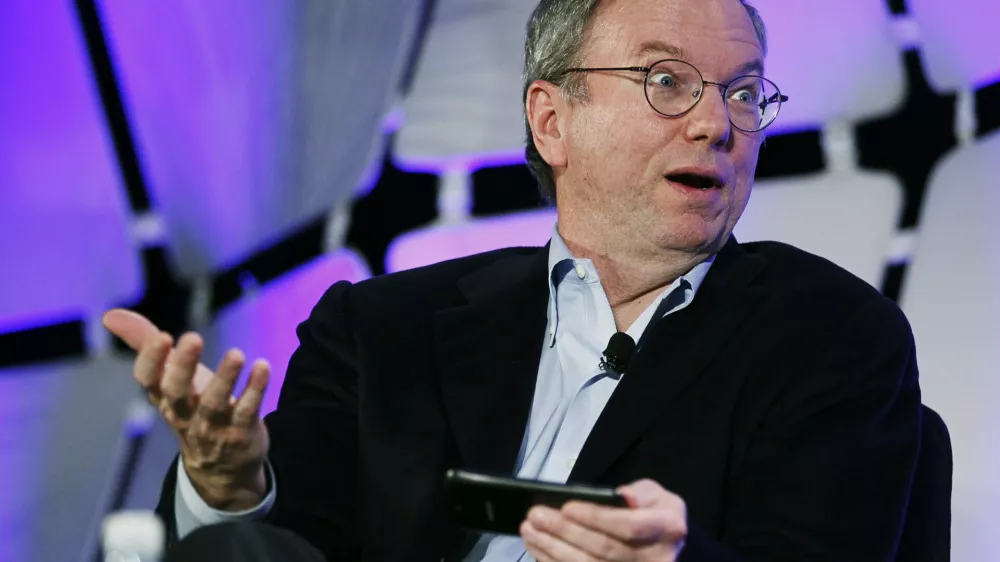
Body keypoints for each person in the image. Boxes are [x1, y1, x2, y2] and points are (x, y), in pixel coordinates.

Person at [103, 0, 923, 560]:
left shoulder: (829, 338)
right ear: (551, 120)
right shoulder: (383, 326)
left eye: (743, 92)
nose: (717, 124)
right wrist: (229, 483)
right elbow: (284, 551)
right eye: (666, 81)